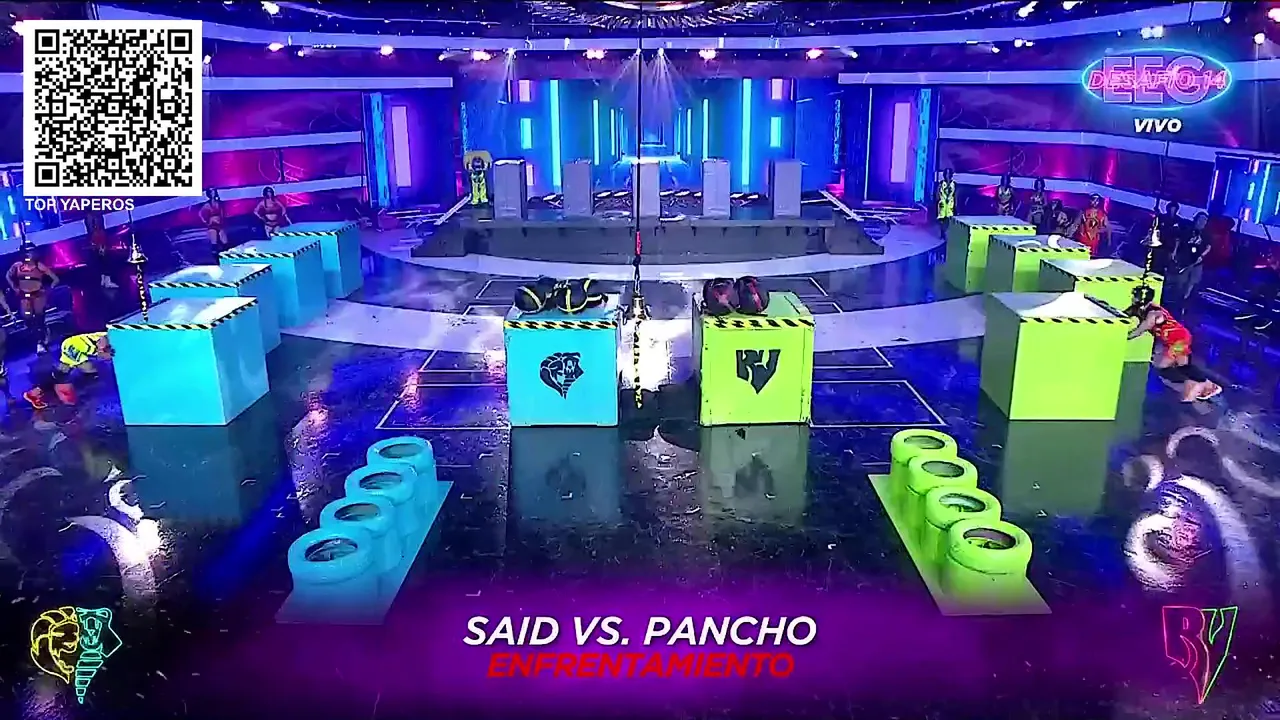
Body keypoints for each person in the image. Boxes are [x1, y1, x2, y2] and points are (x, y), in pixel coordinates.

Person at [1126, 286, 1221, 403]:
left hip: (1179, 340)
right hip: (1177, 339)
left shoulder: (1154, 313)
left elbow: (1142, 328)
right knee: (1183, 366)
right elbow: (1125, 314)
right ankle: (1208, 385)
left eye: (1135, 296)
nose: (1132, 298)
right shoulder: (1140, 310)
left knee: (1162, 366)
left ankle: (1198, 384)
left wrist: (1126, 336)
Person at [22, 332, 113, 410]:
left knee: (63, 373)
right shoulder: (110, 336)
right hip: (76, 347)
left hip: (73, 345)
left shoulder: (111, 335)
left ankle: (34, 393)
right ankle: (82, 395)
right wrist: (105, 352)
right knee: (90, 373)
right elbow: (102, 344)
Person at [6, 241, 58, 354]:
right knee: (27, 318)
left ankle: (40, 342)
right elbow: (8, 276)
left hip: (38, 295)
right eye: (26, 252)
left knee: (39, 318)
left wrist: (49, 289)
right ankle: (38, 334)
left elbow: (55, 279)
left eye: (30, 252)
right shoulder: (17, 266)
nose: (28, 255)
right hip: (24, 296)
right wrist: (14, 287)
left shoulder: (39, 266)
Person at [1166, 212, 1209, 306]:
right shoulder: (1188, 230)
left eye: (1205, 220)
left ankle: (1185, 299)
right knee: (1181, 280)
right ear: (1196, 219)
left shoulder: (1206, 234)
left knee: (1193, 281)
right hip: (1185, 259)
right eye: (1201, 219)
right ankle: (1176, 299)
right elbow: (1179, 240)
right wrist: (1175, 251)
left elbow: (1208, 247)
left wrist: (1202, 256)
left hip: (1197, 262)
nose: (1203, 222)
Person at [83, 209, 119, 289]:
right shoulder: (93, 217)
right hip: (99, 243)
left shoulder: (90, 216)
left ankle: (104, 280)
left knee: (102, 262)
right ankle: (107, 281)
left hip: (97, 242)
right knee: (106, 261)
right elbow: (95, 232)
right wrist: (100, 245)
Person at [936, 168, 957, 239]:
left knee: (948, 219)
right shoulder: (941, 183)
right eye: (946, 174)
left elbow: (955, 194)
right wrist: (938, 200)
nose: (947, 175)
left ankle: (945, 231)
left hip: (950, 203)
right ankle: (942, 232)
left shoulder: (954, 184)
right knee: (941, 218)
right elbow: (938, 192)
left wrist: (955, 203)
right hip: (942, 203)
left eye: (949, 174)